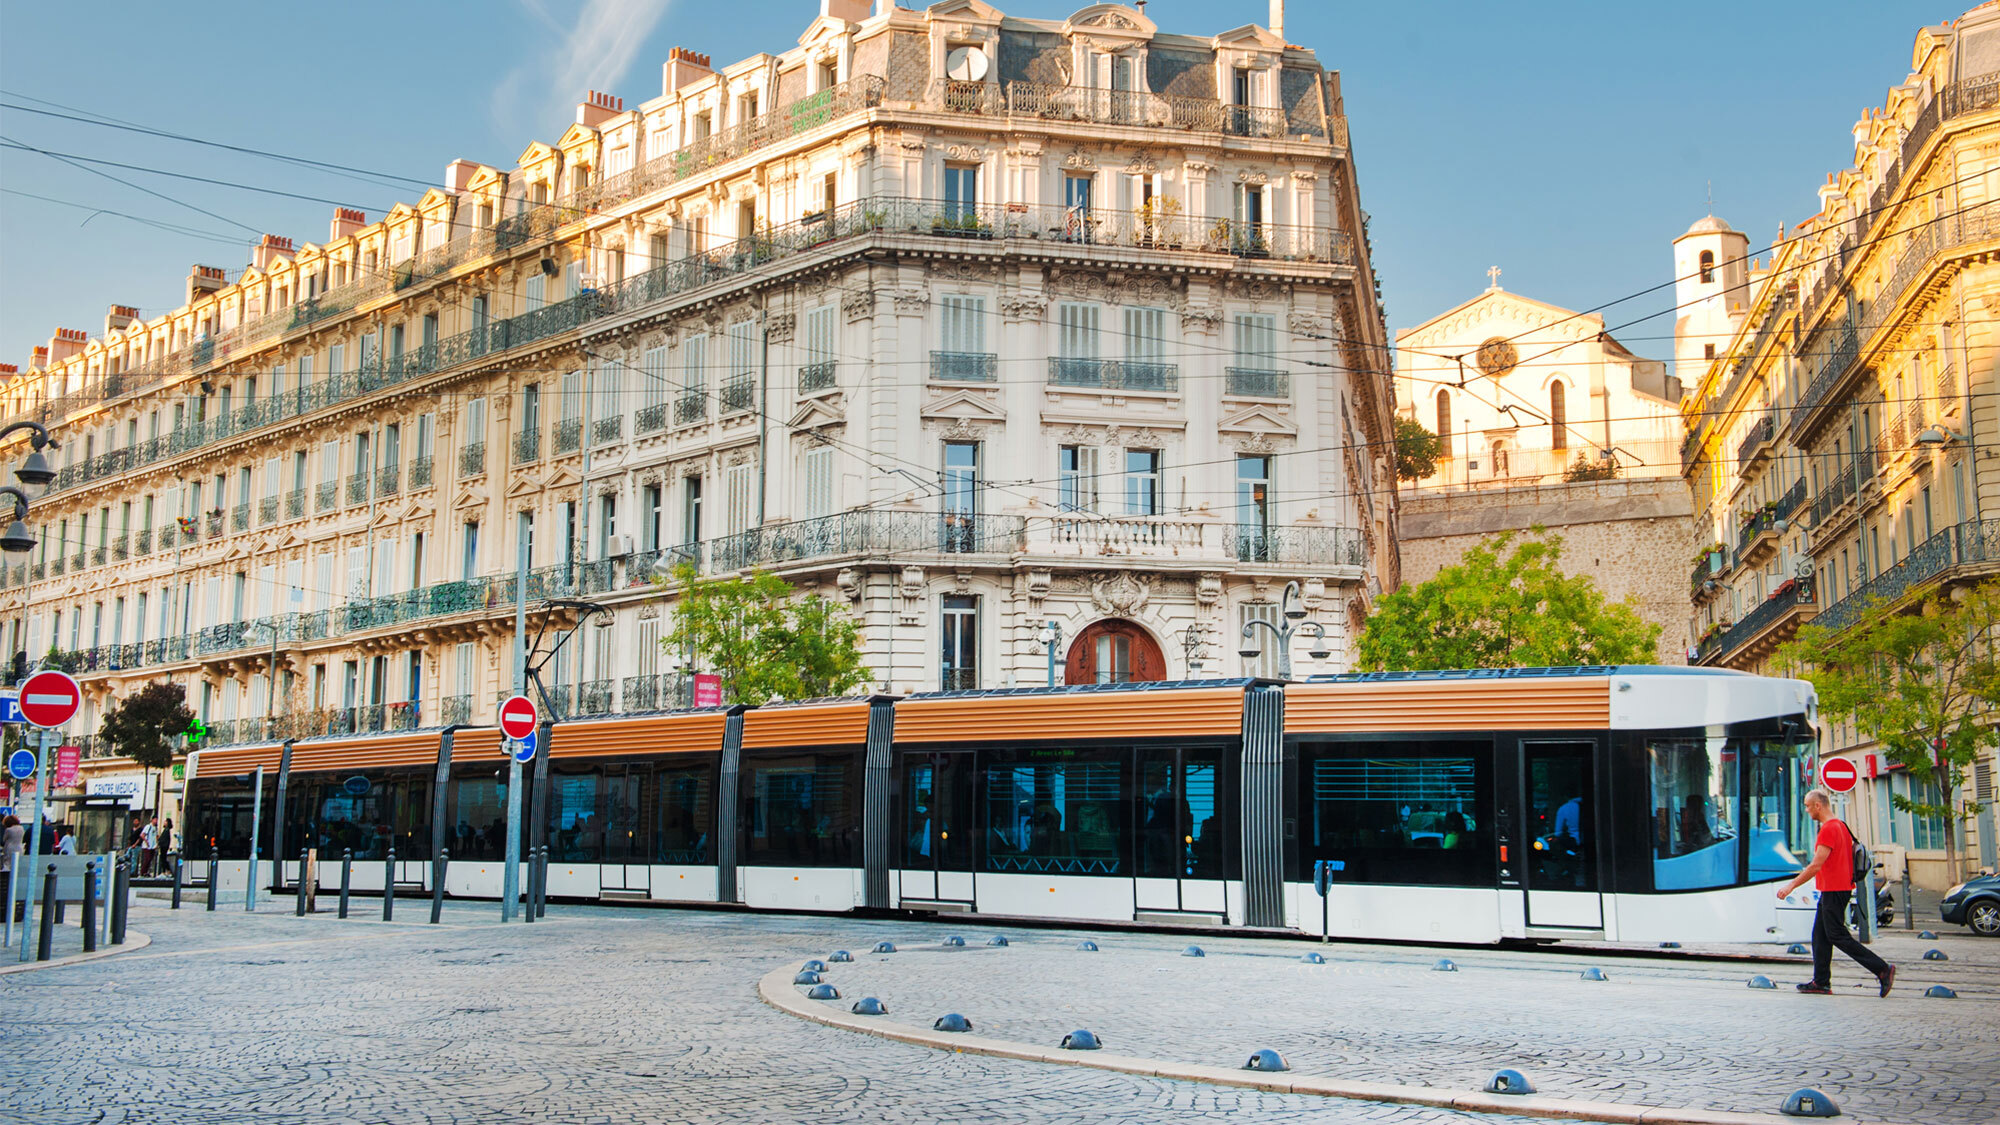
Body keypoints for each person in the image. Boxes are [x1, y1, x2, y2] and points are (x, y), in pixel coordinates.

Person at [1777, 787, 1894, 996]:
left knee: (1837, 935)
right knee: (1819, 936)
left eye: (1807, 806)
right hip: (1834, 889)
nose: (1806, 810)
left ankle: (1882, 969)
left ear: (1818, 806)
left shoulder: (1829, 829)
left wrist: (1790, 886)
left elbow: (1815, 865)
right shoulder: (1841, 826)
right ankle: (1821, 982)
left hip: (1834, 889)